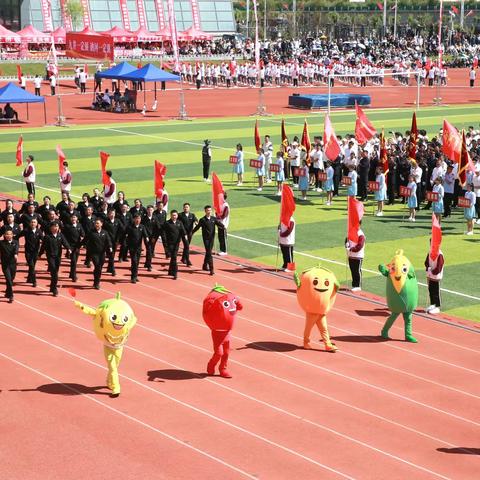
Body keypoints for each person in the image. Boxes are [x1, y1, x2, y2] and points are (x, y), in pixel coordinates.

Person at [202, 285, 243, 378]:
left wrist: (237, 303)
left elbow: (239, 306)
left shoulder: (229, 300)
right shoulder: (216, 302)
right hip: (217, 333)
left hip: (227, 332)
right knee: (219, 353)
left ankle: (223, 369)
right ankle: (211, 364)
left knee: (226, 353)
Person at [40, 221, 71, 296]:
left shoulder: (60, 235)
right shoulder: (47, 237)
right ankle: (54, 289)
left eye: (57, 226)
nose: (56, 228)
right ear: (51, 228)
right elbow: (43, 246)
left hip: (58, 257)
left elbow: (65, 242)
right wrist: (40, 254)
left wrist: (68, 248)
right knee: (54, 273)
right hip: (50, 257)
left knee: (55, 273)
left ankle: (51, 286)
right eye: (54, 226)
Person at [192, 205, 224, 275]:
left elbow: (219, 224)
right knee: (209, 253)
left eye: (210, 210)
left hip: (212, 238)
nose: (209, 212)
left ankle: (204, 265)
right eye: (207, 210)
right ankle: (211, 269)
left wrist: (223, 227)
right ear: (205, 211)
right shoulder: (202, 220)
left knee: (208, 252)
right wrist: (192, 233)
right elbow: (197, 227)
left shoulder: (213, 219)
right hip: (206, 239)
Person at [85, 218, 112, 289]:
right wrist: (79, 245)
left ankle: (96, 280)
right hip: (94, 253)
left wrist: (110, 247)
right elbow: (85, 239)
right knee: (97, 266)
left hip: (102, 253)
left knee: (99, 268)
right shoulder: (91, 232)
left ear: (101, 224)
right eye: (95, 223)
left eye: (98, 223)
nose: (96, 225)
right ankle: (97, 282)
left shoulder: (105, 232)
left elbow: (108, 240)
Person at [162, 210, 188, 279]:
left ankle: (171, 271)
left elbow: (183, 230)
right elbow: (163, 232)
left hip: (177, 243)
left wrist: (185, 235)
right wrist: (165, 241)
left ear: (177, 216)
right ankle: (175, 272)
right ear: (170, 215)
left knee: (173, 257)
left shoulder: (179, 223)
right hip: (170, 243)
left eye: (175, 215)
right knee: (174, 257)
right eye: (173, 215)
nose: (174, 216)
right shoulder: (167, 223)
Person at [19, 218, 43, 287]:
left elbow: (43, 239)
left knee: (32, 266)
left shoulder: (39, 231)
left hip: (35, 252)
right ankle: (34, 281)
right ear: (30, 223)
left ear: (37, 224)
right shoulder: (26, 230)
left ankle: (29, 278)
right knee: (32, 266)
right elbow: (18, 236)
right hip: (28, 251)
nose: (33, 224)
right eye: (32, 222)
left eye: (34, 222)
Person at [125, 214, 149, 283]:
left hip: (138, 248)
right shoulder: (130, 227)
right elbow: (126, 236)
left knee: (137, 262)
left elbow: (145, 234)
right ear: (134, 219)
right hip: (132, 248)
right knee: (134, 262)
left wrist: (147, 238)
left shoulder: (142, 227)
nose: (138, 220)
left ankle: (135, 275)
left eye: (139, 218)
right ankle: (133, 277)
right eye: (136, 218)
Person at [62, 214, 84, 282]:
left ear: (77, 218)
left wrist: (82, 238)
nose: (73, 219)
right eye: (72, 217)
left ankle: (71, 273)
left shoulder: (79, 225)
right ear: (70, 219)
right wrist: (67, 246)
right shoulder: (67, 226)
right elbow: (63, 236)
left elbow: (82, 233)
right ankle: (74, 276)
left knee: (75, 261)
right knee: (74, 261)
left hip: (77, 246)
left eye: (74, 217)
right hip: (70, 246)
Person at [345, 220, 365, 292]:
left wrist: (351, 249)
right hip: (351, 255)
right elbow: (347, 240)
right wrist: (346, 244)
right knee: (352, 270)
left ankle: (358, 285)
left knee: (357, 271)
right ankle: (354, 284)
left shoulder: (361, 234)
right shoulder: (351, 232)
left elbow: (359, 246)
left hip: (358, 256)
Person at [425, 245, 444, 315]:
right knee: (430, 290)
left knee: (436, 291)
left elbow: (439, 266)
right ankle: (432, 304)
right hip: (430, 275)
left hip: (436, 276)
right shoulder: (430, 252)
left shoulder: (440, 254)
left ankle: (437, 306)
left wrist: (433, 272)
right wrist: (428, 269)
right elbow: (426, 262)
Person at [0, 230, 19, 302]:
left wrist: (15, 254)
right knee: (8, 279)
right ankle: (11, 295)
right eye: (6, 234)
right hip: (5, 264)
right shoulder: (1, 243)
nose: (8, 236)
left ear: (12, 235)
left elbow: (16, 249)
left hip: (13, 264)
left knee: (11, 279)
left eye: (10, 234)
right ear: (4, 235)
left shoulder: (15, 242)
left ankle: (7, 292)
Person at [103, 209, 121, 276]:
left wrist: (118, 239)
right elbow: (104, 231)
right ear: (108, 214)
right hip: (108, 242)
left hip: (115, 241)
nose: (112, 214)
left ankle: (109, 268)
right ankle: (113, 270)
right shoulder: (106, 222)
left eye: (113, 213)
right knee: (111, 255)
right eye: (110, 213)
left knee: (112, 256)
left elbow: (121, 229)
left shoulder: (117, 221)